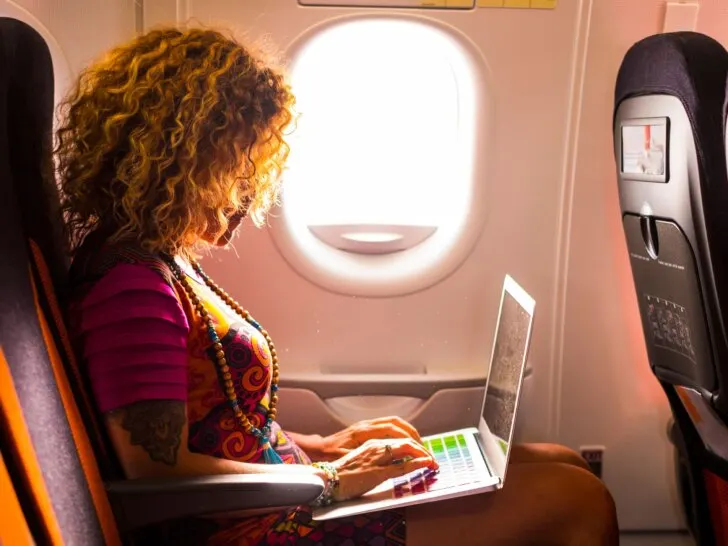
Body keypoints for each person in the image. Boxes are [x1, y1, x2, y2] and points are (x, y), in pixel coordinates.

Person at [59, 27, 618, 546]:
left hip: (283, 497)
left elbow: (229, 426)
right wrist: (328, 478)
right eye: (235, 173)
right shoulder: (129, 290)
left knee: (560, 459)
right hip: (252, 529)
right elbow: (158, 474)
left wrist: (324, 445)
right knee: (577, 498)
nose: (248, 197)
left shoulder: (164, 262)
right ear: (181, 161)